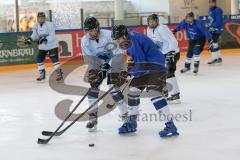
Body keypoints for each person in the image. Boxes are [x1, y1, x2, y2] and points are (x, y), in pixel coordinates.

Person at [111, 24, 179, 138]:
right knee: (133, 91)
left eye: (118, 39)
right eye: (116, 39)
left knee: (154, 94)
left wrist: (127, 75)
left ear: (124, 35)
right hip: (147, 64)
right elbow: (137, 61)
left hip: (156, 66)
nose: (117, 42)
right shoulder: (128, 37)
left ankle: (171, 126)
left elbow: (141, 64)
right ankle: (132, 123)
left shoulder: (133, 43)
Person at [81, 17, 127, 132]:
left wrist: (108, 65)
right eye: (88, 31)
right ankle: (93, 118)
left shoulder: (108, 35)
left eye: (92, 30)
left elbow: (118, 53)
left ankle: (126, 113)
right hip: (99, 64)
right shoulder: (85, 41)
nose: (90, 33)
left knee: (112, 87)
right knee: (93, 87)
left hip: (115, 62)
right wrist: (94, 71)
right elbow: (90, 59)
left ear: (97, 28)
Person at [147, 14, 181, 103]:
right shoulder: (149, 30)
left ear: (157, 21)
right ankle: (166, 91)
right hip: (162, 54)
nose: (151, 23)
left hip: (172, 53)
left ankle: (175, 95)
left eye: (153, 21)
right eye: (150, 21)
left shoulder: (162, 28)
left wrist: (171, 52)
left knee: (169, 73)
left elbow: (172, 40)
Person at [25, 12, 63, 81]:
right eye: (39, 18)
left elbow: (52, 36)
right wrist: (29, 39)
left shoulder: (50, 24)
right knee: (39, 59)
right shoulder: (35, 26)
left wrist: (44, 39)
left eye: (42, 18)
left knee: (54, 59)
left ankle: (59, 73)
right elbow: (34, 35)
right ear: (37, 18)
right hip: (42, 47)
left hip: (52, 45)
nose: (41, 19)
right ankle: (42, 74)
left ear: (44, 18)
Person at [207, 0, 224, 64]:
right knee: (215, 43)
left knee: (213, 43)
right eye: (209, 2)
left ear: (215, 3)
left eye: (212, 2)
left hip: (217, 29)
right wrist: (208, 26)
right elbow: (210, 20)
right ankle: (219, 58)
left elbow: (218, 21)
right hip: (212, 29)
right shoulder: (210, 10)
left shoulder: (218, 10)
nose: (210, 4)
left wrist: (212, 26)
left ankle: (214, 59)